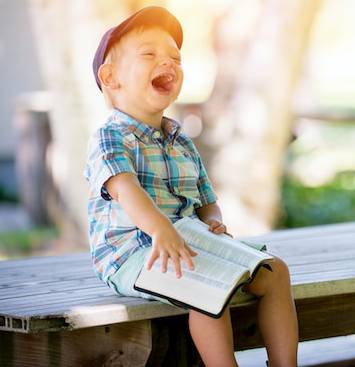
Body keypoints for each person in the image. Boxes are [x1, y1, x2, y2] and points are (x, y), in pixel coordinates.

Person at [84, 6, 298, 366]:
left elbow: (205, 198)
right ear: (110, 77)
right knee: (206, 287)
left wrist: (213, 220)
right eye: (149, 54)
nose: (167, 62)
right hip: (132, 253)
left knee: (275, 271)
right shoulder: (111, 136)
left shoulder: (179, 139)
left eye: (175, 57)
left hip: (188, 241)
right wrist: (160, 229)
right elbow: (125, 189)